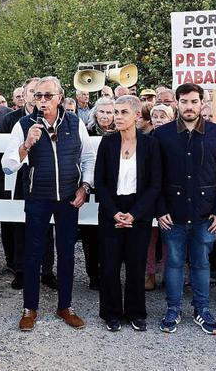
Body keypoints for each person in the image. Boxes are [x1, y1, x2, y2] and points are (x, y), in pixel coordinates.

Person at [2, 76, 96, 332]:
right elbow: (8, 167)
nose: (42, 101)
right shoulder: (23, 125)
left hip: (68, 198)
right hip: (37, 198)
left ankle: (65, 305)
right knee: (33, 255)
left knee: (66, 253)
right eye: (38, 96)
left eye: (47, 96)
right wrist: (26, 145)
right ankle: (29, 308)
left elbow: (88, 157)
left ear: (59, 97)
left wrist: (85, 187)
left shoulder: (75, 123)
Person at [153, 83, 216, 335]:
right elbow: (154, 177)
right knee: (174, 262)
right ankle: (173, 309)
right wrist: (160, 209)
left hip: (206, 215)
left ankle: (202, 309)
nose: (189, 106)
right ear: (176, 103)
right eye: (184, 101)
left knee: (201, 263)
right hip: (172, 215)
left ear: (202, 103)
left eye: (194, 101)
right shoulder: (162, 135)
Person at [95, 96, 161, 332]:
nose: (118, 117)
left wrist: (134, 214)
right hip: (111, 211)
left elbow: (155, 184)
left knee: (135, 265)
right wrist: (115, 213)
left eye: (123, 112)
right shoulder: (107, 143)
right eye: (116, 112)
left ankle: (135, 312)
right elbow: (100, 182)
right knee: (110, 266)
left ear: (136, 115)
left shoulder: (150, 144)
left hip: (138, 212)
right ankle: (111, 313)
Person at [1, 78, 57, 292]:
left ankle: (47, 271)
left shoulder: (55, 119)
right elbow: (4, 150)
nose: (39, 97)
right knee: (20, 226)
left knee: (46, 228)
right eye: (33, 92)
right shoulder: (11, 120)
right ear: (25, 96)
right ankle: (21, 270)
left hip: (44, 184)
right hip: (17, 181)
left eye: (42, 93)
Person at [82, 96, 115, 290]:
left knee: (110, 236)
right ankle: (93, 275)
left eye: (109, 112)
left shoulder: (122, 133)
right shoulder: (86, 132)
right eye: (101, 111)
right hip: (90, 189)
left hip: (112, 191)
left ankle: (108, 273)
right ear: (95, 113)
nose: (105, 115)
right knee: (90, 236)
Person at [145, 104, 175, 290]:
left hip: (170, 195)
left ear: (171, 119)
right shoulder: (145, 139)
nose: (158, 119)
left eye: (162, 116)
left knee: (169, 237)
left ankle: (167, 272)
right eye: (154, 116)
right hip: (150, 195)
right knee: (150, 237)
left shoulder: (176, 140)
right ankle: (149, 274)